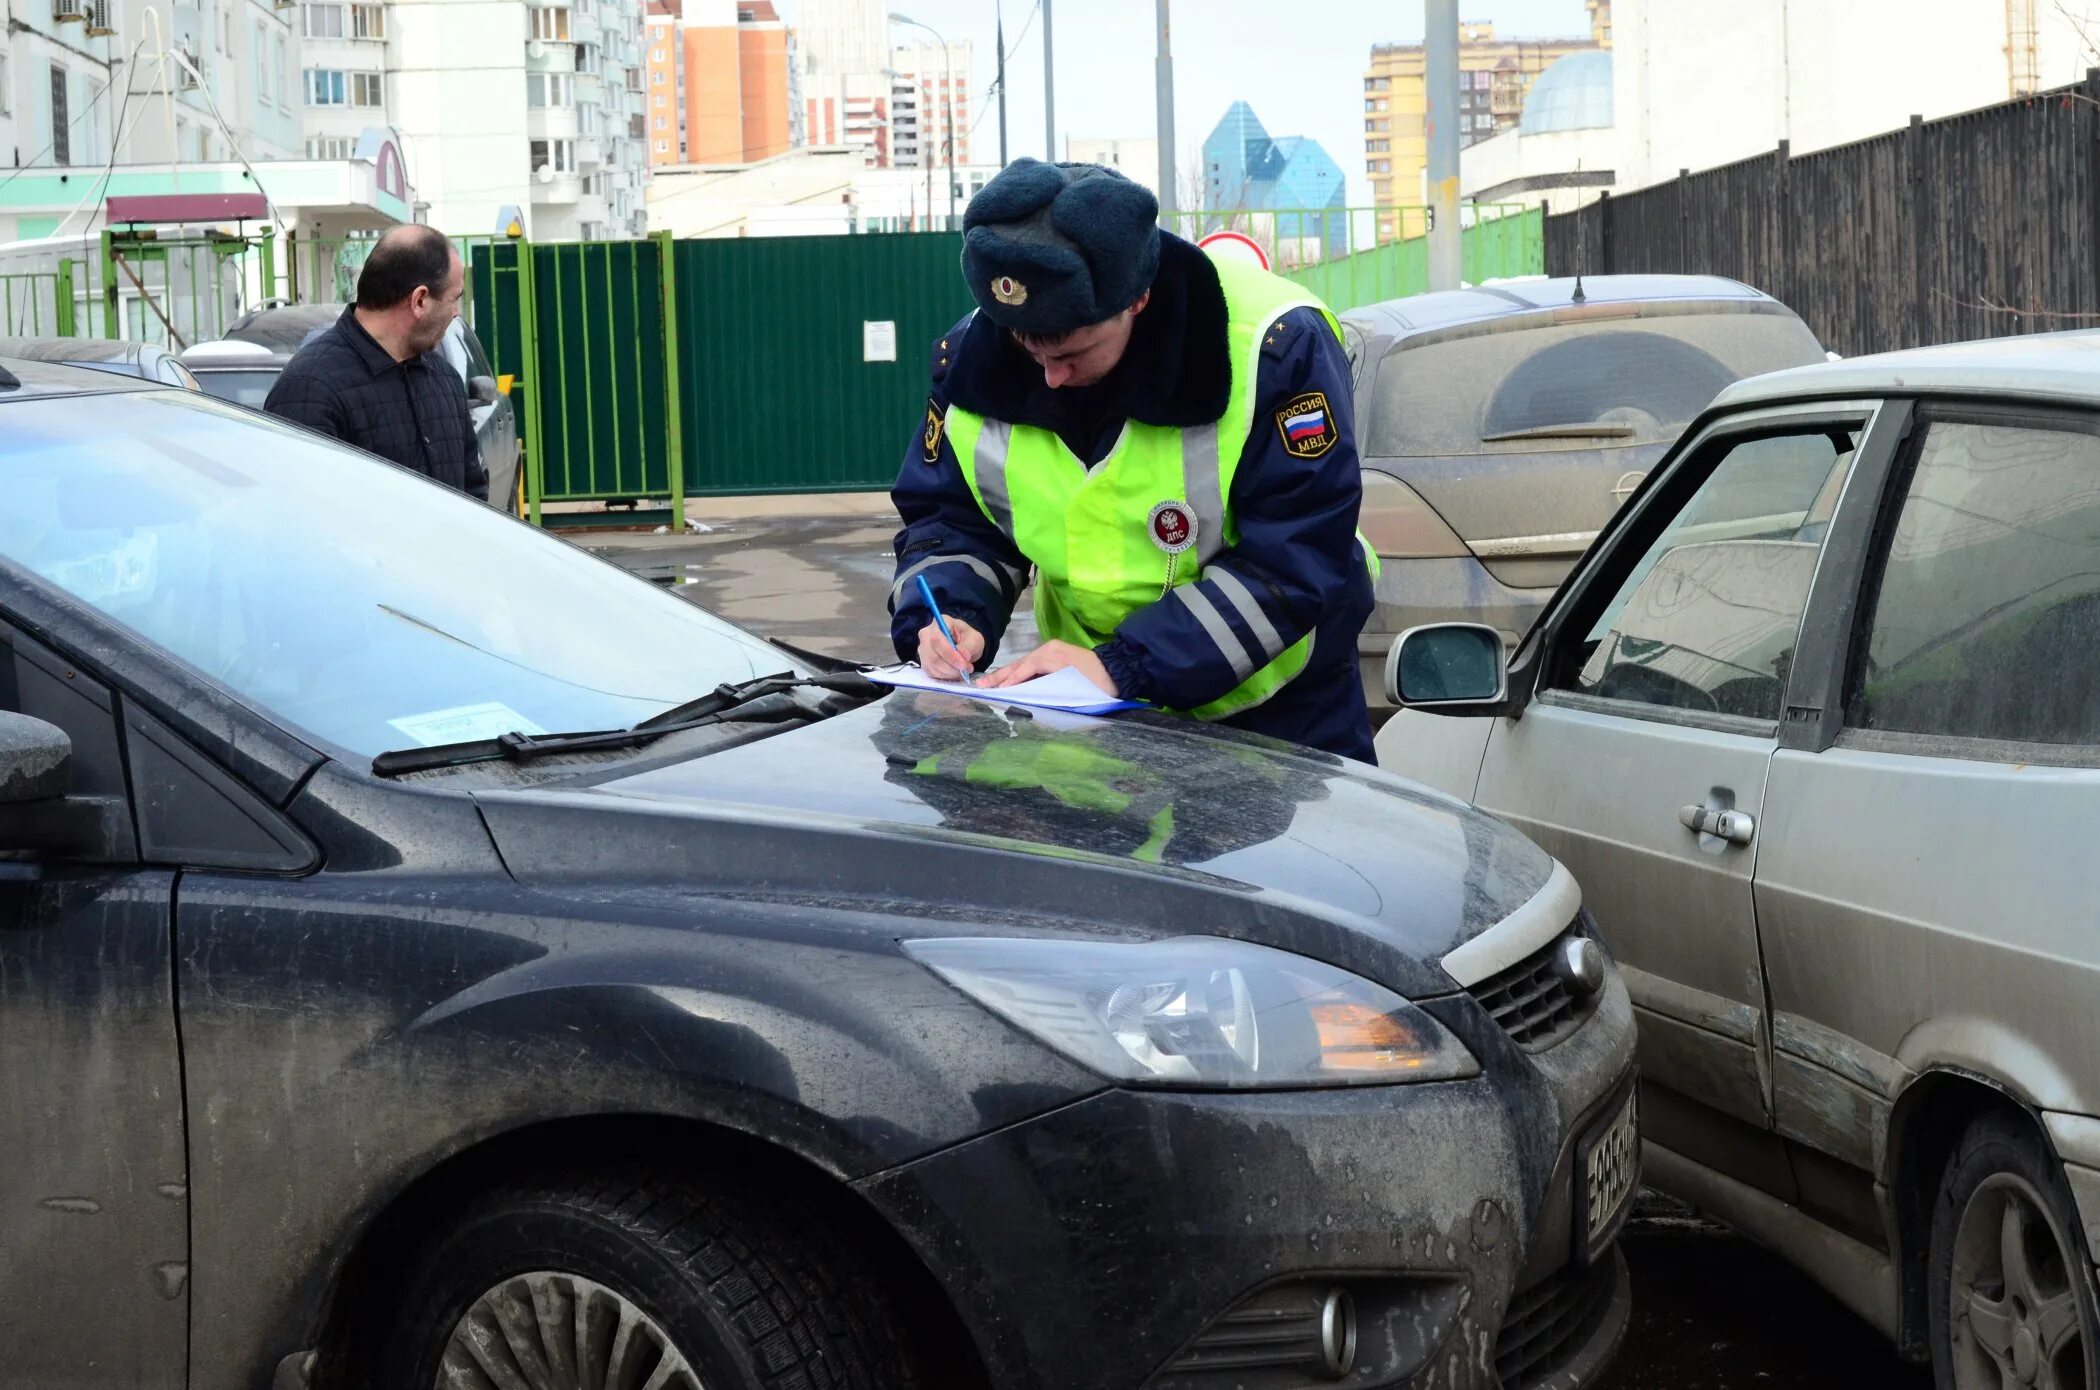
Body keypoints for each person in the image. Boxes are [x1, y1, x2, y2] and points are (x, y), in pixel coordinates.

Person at [888, 159, 1379, 762]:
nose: (1049, 375)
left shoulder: (1274, 347)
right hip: (1089, 713)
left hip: (1281, 714)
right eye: (1026, 343)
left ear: (1139, 299)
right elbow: (952, 521)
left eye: (1073, 350)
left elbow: (1295, 560)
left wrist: (1121, 666)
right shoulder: (971, 359)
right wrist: (952, 614)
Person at [264, 224, 488, 499]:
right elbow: (298, 514)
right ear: (419, 300)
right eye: (454, 300)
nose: (456, 313)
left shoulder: (444, 379)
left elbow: (474, 499)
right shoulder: (310, 389)